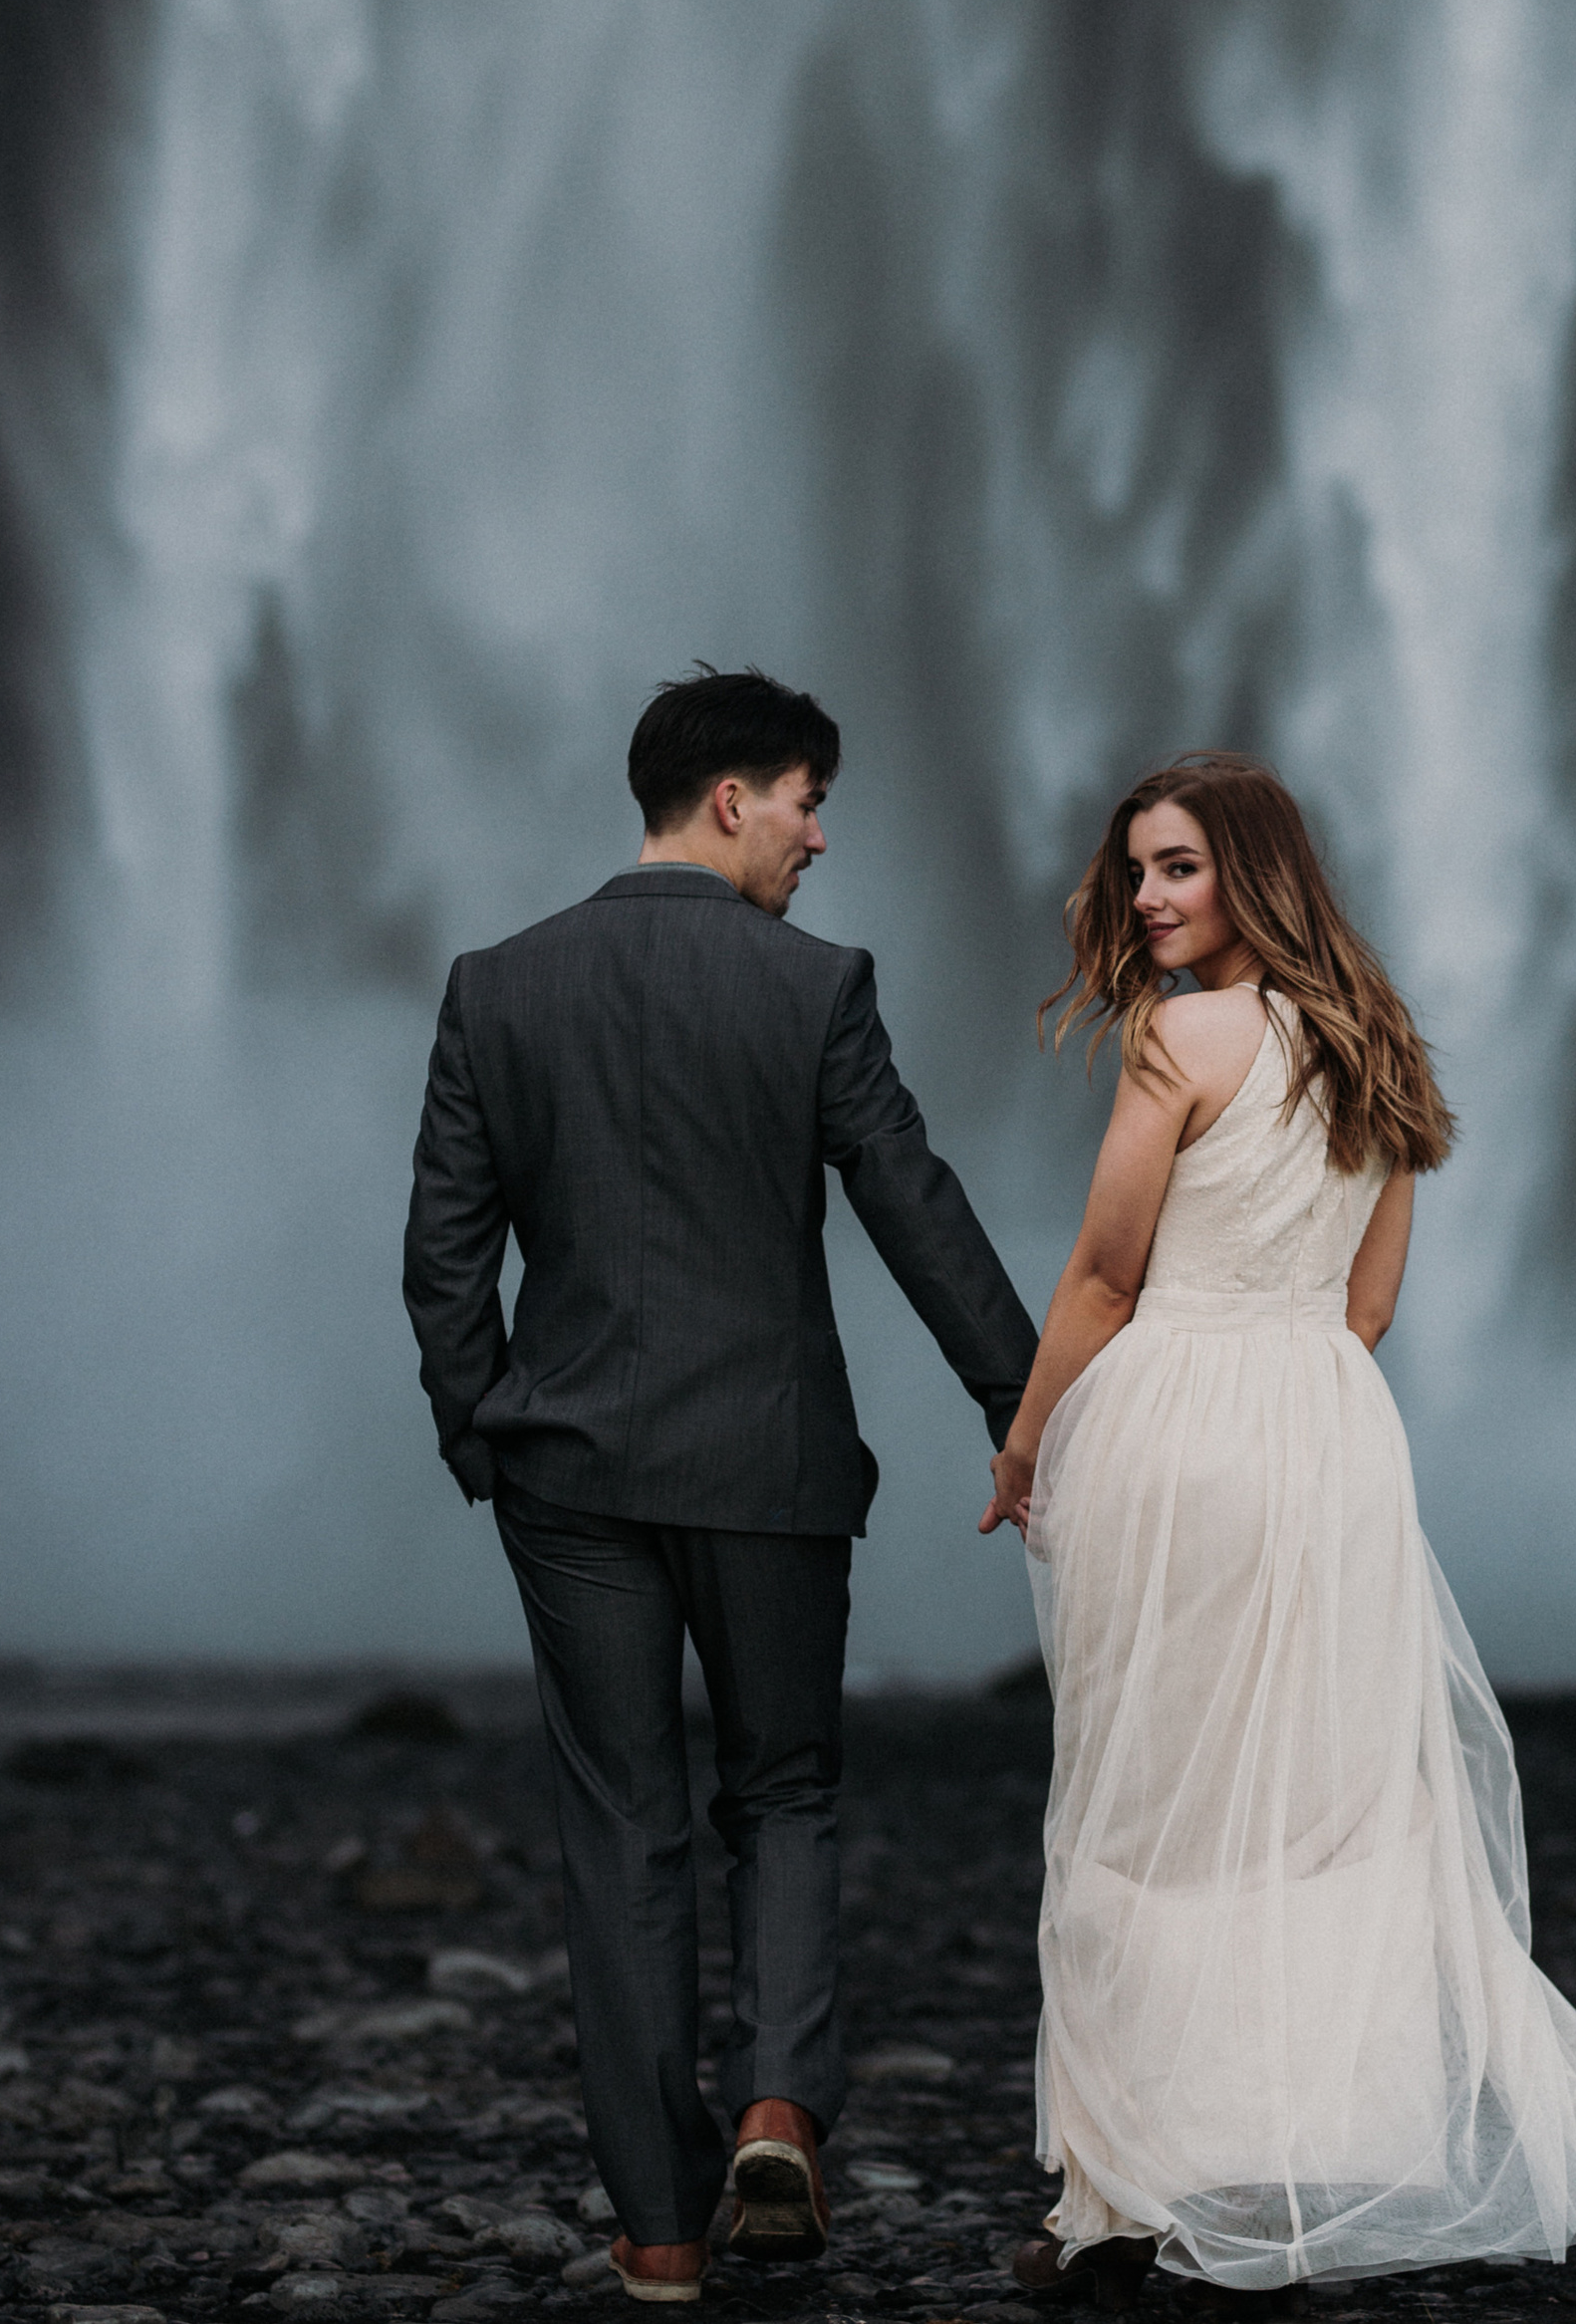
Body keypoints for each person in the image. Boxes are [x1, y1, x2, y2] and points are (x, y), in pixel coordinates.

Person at [404, 667, 1038, 2304]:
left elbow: (445, 1257)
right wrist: (1029, 1406)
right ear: (732, 798)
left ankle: (666, 2229)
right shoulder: (816, 989)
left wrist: (488, 1431)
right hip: (770, 1459)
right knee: (786, 1791)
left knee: (622, 1827)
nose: (820, 839)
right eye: (809, 804)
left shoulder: (497, 987)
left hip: (570, 1471)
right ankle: (775, 2106)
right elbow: (915, 1206)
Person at [981, 755, 1576, 2313]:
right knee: (1312, 1793)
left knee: (1145, 1796)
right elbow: (1370, 1303)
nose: (1147, 896)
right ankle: (1310, 2143)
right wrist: (1296, 1395)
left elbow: (1104, 1276)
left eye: (1179, 866)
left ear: (1254, 872)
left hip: (1183, 1420)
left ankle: (1123, 2188)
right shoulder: (1374, 1040)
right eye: (1138, 868)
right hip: (1329, 1430)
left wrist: (1024, 1441)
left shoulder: (1176, 1037)